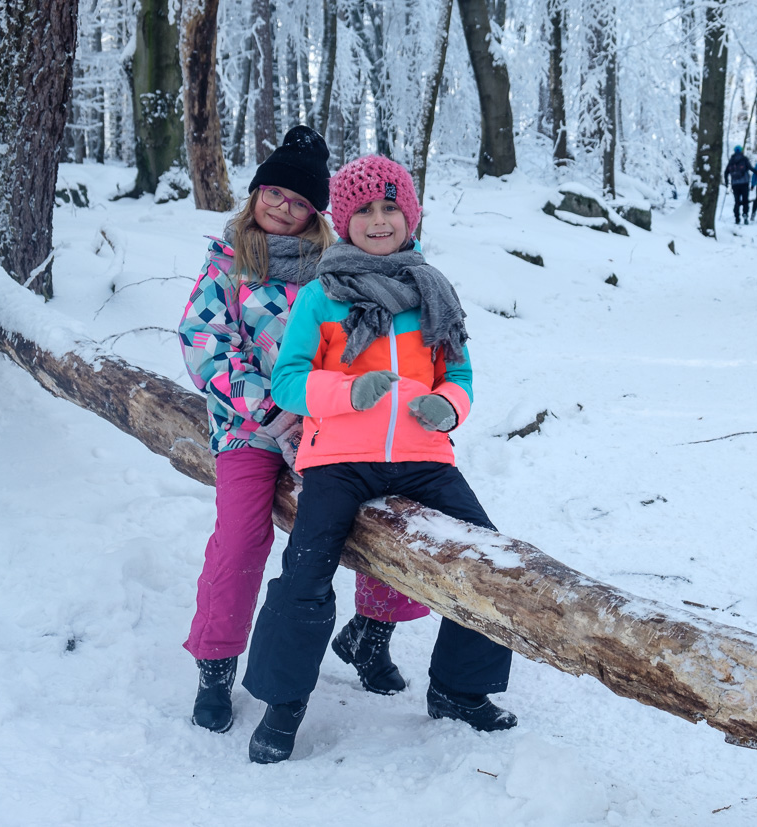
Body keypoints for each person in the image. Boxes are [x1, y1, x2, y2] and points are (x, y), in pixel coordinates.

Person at [241, 155, 517, 764]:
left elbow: (461, 374)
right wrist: (344, 394)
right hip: (338, 458)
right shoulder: (322, 295)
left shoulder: (433, 290)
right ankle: (282, 706)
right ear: (343, 220)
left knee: (489, 559)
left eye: (391, 206)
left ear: (410, 214)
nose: (379, 219)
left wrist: (449, 406)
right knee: (305, 575)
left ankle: (458, 690)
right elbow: (287, 380)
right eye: (363, 209)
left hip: (424, 459)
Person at [177, 127, 423, 736]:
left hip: (330, 420)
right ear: (257, 191)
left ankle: (372, 632)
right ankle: (215, 665)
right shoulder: (228, 265)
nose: (283, 206)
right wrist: (267, 411)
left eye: (299, 199)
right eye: (274, 192)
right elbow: (207, 345)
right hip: (253, 429)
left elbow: (363, 347)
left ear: (317, 212)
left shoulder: (339, 269)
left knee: (390, 514)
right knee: (240, 538)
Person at [723, 145, 752, 225]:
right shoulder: (744, 159)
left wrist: (726, 182)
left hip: (735, 184)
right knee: (745, 200)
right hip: (744, 183)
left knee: (737, 201)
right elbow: (750, 168)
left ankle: (737, 218)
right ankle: (745, 215)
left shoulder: (731, 160)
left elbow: (726, 172)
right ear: (741, 150)